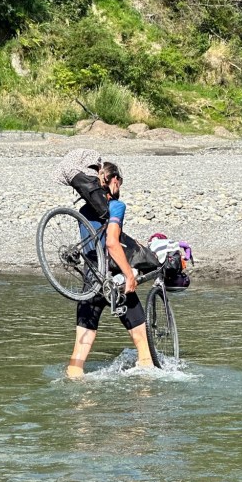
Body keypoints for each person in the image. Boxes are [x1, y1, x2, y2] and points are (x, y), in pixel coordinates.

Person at [67, 161, 154, 378]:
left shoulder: (84, 210)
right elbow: (112, 243)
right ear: (114, 180)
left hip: (90, 282)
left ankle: (77, 394)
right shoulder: (116, 206)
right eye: (120, 181)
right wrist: (129, 275)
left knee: (77, 361)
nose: (120, 185)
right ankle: (145, 395)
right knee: (144, 350)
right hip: (114, 281)